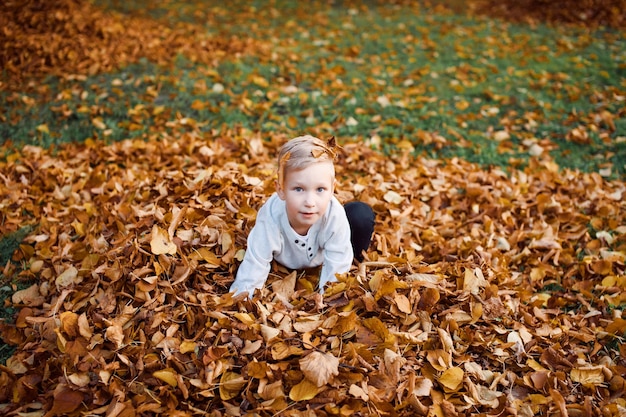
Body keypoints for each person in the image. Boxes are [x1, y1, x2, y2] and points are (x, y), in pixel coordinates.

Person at [229, 135, 375, 298]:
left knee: (359, 214)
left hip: (326, 255)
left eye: (320, 189)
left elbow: (336, 270)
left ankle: (355, 260)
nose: (310, 202)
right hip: (285, 260)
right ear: (281, 190)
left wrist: (327, 299)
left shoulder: (333, 214)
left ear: (332, 189)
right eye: (298, 189)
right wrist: (241, 298)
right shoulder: (271, 215)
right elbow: (255, 264)